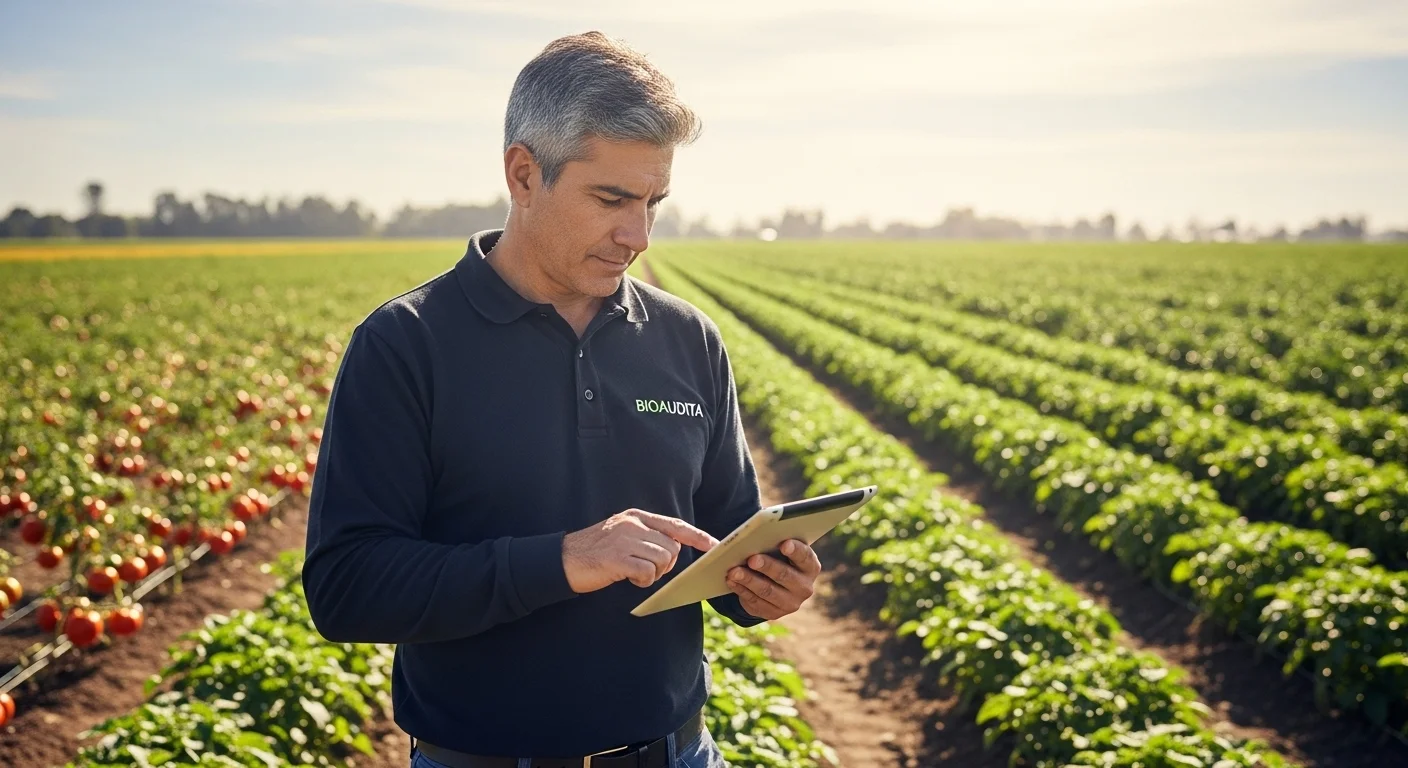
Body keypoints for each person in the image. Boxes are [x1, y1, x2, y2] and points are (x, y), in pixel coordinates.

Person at [302, 31, 824, 768]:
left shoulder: (687, 338)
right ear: (523, 174)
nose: (637, 235)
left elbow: (724, 534)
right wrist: (563, 560)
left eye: (653, 202)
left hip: (676, 755)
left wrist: (766, 584)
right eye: (611, 198)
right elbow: (347, 588)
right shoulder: (405, 344)